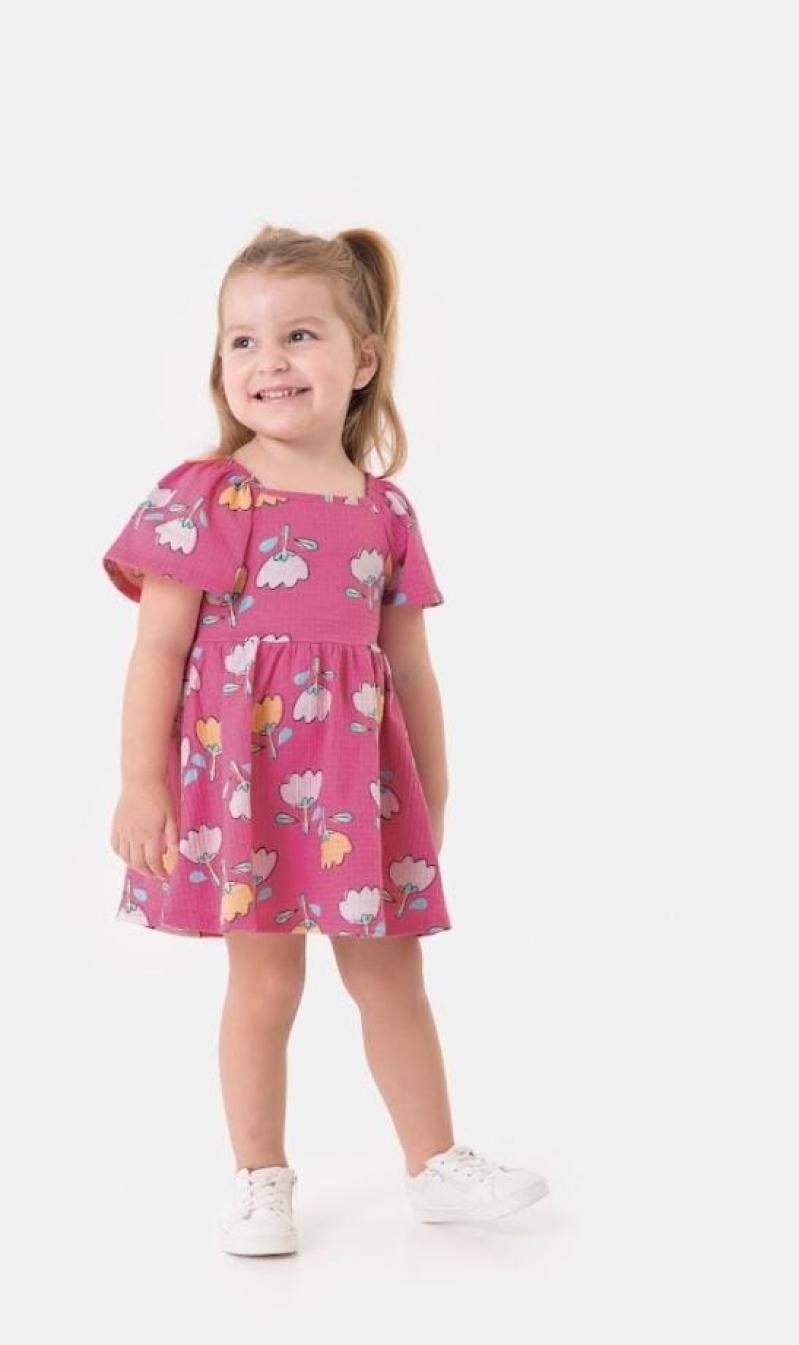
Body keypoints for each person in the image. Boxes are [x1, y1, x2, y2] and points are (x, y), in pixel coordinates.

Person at [102, 224, 549, 1256]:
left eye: (299, 335)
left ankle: (434, 1164)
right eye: (243, 341)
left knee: (391, 975)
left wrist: (431, 793)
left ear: (364, 358)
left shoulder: (385, 510)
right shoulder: (208, 495)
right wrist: (140, 783)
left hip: (358, 792)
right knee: (265, 984)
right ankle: (259, 1177)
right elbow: (157, 649)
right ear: (220, 363)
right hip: (247, 789)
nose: (269, 361)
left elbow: (411, 668)